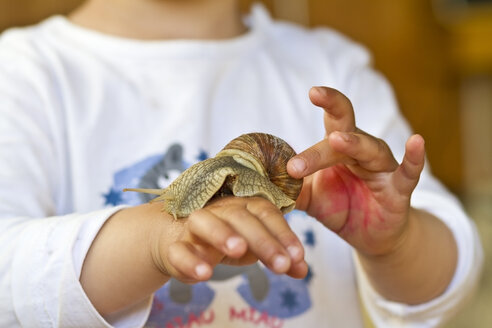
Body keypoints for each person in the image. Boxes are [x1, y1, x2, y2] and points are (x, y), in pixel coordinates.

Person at [0, 0, 483, 327]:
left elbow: (449, 276)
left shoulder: (332, 69)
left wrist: (394, 244)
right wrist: (154, 239)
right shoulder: (27, 74)